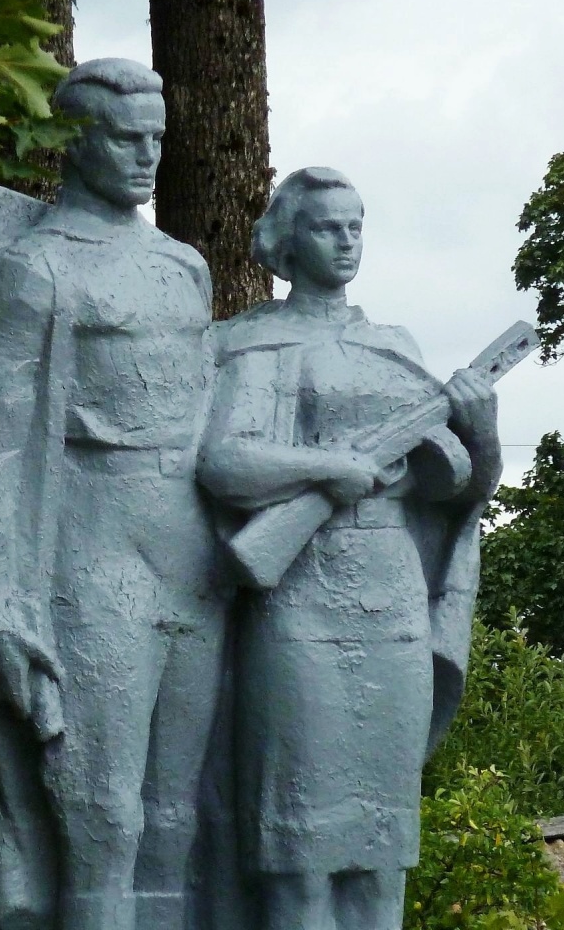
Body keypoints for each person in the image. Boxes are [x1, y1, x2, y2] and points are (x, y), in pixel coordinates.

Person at [0, 58, 231, 930]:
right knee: (101, 817)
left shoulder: (184, 267)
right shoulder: (30, 273)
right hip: (90, 564)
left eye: (157, 138)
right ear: (75, 142)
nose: (148, 156)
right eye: (125, 137)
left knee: (177, 820)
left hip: (193, 564)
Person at [196, 167, 502, 930]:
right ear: (288, 240)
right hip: (297, 599)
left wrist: (482, 429)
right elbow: (226, 464)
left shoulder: (394, 347)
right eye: (328, 226)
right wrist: (330, 468)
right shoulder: (250, 342)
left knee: (380, 847)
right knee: (299, 852)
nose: (346, 241)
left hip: (392, 597)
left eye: (356, 225)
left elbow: (459, 491)